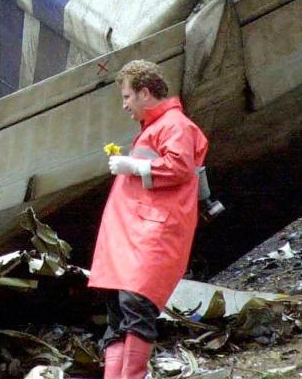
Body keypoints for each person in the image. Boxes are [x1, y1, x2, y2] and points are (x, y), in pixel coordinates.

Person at [88, 60, 209, 379]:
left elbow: (181, 167)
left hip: (149, 237)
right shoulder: (155, 128)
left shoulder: (175, 124)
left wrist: (135, 167)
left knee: (135, 307)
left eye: (127, 97)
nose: (125, 105)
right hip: (130, 237)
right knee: (117, 315)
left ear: (144, 93)